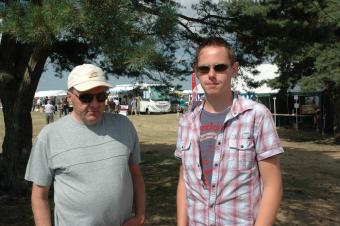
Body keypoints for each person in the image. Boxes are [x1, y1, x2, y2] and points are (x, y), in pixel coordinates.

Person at [175, 37, 284, 226]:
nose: (211, 74)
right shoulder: (187, 121)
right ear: (196, 71)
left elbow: (272, 186)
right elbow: (184, 181)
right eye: (204, 68)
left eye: (219, 67)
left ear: (234, 69)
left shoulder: (256, 116)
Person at [25, 63, 145, 226]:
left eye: (101, 96)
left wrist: (139, 216)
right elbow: (39, 197)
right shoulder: (49, 136)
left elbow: (136, 174)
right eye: (86, 97)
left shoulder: (124, 126)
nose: (95, 104)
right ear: (69, 97)